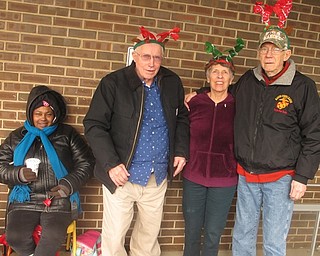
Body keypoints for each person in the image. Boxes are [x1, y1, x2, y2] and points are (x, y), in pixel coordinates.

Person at [185, 7, 320, 256]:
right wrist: (201, 94)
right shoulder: (249, 80)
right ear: (259, 52)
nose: (269, 54)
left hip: (281, 178)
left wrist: (303, 177)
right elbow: (223, 94)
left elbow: (314, 134)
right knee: (242, 236)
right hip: (246, 175)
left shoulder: (302, 87)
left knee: (273, 241)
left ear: (287, 54)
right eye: (264, 48)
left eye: (275, 49)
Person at [83, 26, 189, 256]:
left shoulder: (172, 83)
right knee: (115, 236)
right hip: (122, 175)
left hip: (157, 175)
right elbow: (94, 125)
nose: (151, 63)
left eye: (157, 58)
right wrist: (111, 164)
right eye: (146, 57)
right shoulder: (113, 83)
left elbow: (182, 118)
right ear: (135, 56)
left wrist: (180, 151)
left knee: (148, 237)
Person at [0, 85, 95, 256]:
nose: (43, 118)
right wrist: (19, 174)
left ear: (55, 115)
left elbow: (86, 163)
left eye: (48, 114)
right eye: (38, 113)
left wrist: (67, 185)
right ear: (31, 114)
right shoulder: (16, 137)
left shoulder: (67, 134)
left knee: (51, 237)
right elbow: (0, 165)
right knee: (15, 237)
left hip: (58, 200)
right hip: (25, 199)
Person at [182, 40, 244, 256]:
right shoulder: (195, 102)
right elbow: (180, 131)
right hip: (194, 177)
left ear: (231, 78)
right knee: (191, 232)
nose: (219, 76)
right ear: (207, 77)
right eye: (215, 72)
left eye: (224, 72)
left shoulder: (239, 106)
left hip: (224, 180)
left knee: (212, 234)